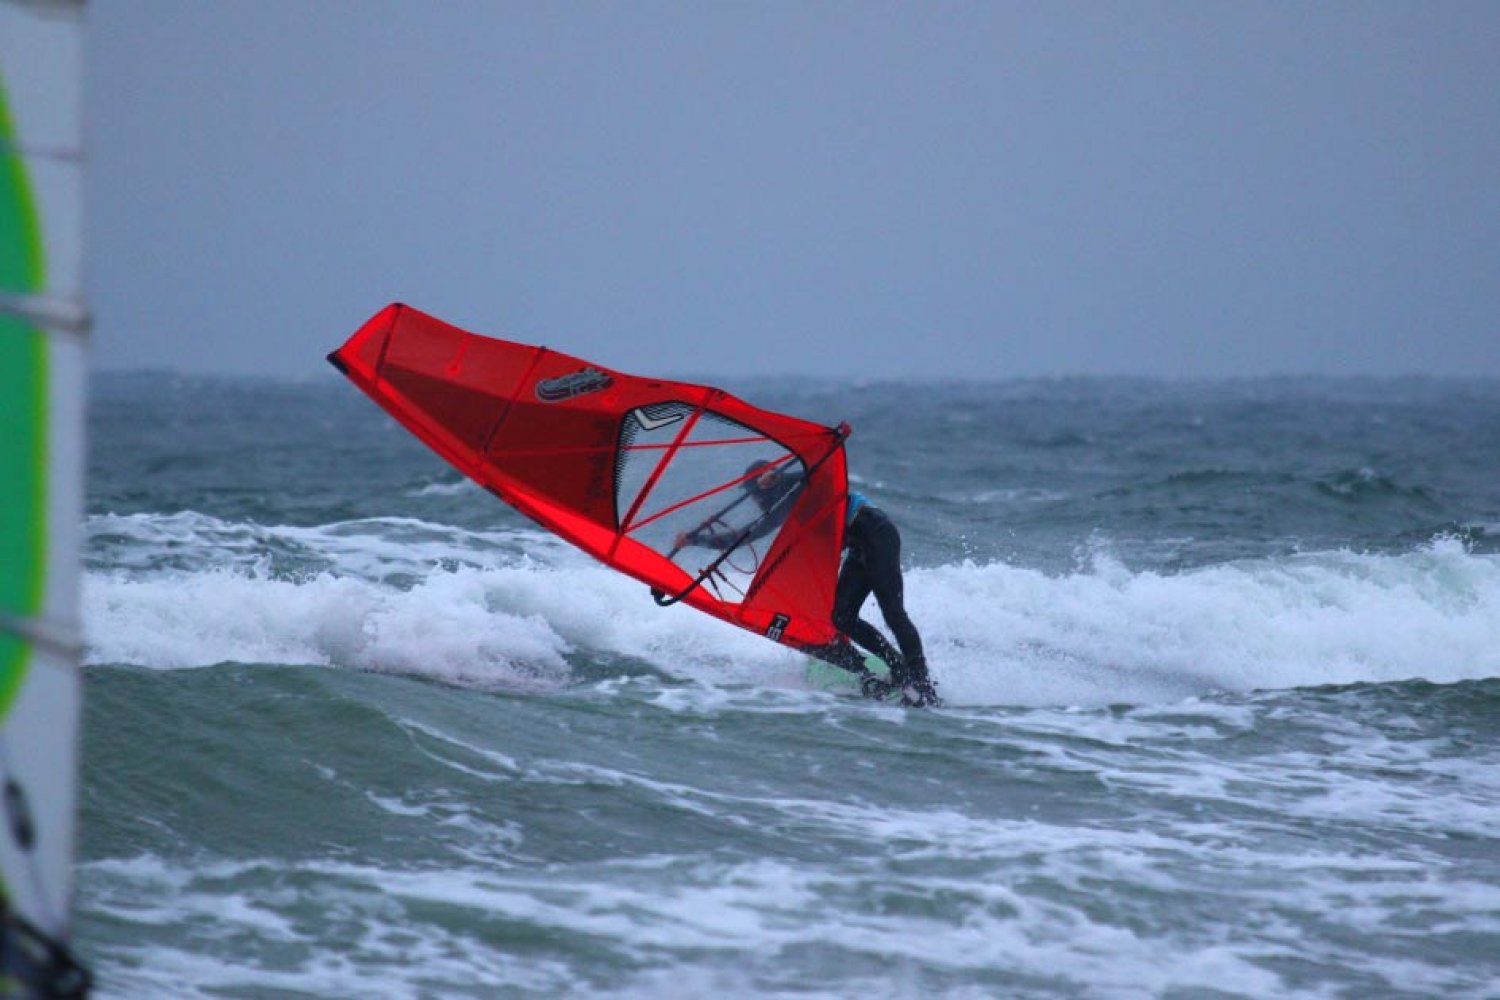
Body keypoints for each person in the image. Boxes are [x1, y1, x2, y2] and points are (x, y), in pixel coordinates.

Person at [679, 461, 937, 707]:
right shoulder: (782, 510)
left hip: (876, 531)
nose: (755, 501)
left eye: (755, 493)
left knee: (892, 611)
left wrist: (780, 476)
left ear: (767, 486)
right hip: (859, 548)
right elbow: (744, 536)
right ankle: (900, 668)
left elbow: (823, 475)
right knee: (842, 617)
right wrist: (694, 540)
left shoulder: (802, 488)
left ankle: (922, 683)